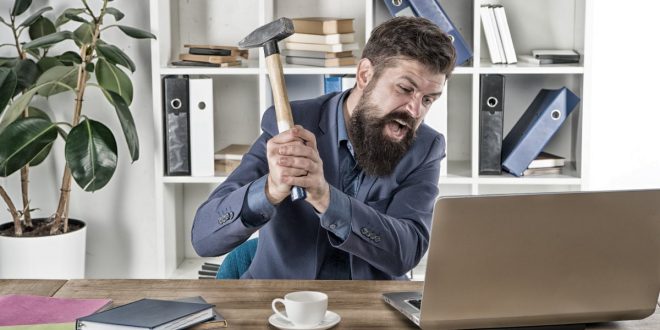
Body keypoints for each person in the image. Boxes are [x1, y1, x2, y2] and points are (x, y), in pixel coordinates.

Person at [192, 16, 456, 280]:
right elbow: (204, 238)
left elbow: (406, 254)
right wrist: (269, 189)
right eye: (405, 89)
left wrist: (326, 198)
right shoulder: (290, 125)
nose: (415, 110)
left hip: (371, 307)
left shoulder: (425, 147)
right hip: (282, 305)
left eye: (428, 99)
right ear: (365, 74)